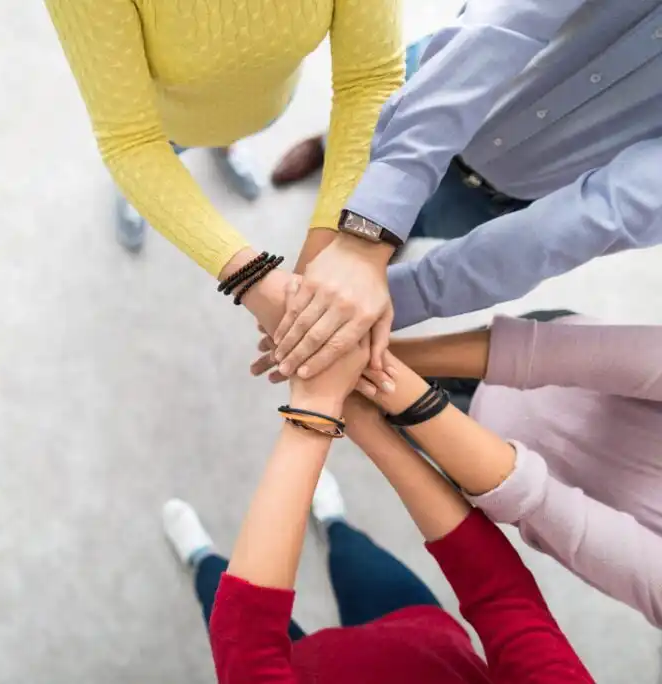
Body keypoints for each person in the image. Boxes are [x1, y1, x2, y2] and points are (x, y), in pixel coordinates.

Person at [268, 1, 662, 382]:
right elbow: (505, 22)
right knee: (358, 133)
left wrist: (401, 291)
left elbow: (608, 212)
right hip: (435, 86)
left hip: (506, 191)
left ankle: (395, 238)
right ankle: (324, 147)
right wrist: (372, 229)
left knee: (425, 222)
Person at [162, 340, 593, 683]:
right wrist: (366, 423)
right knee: (350, 550)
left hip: (303, 665)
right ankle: (333, 524)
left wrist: (315, 409)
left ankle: (200, 556)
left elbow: (244, 641)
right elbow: (504, 597)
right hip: (416, 632)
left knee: (217, 591)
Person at [44, 0, 404, 351]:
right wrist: (250, 278)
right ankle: (135, 192)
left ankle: (227, 145)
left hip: (263, 105)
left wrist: (319, 260)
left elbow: (369, 81)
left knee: (232, 128)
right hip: (167, 126)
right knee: (158, 158)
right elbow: (131, 139)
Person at [366, 312, 662, 627]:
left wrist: (371, 370)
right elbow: (605, 356)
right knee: (385, 381)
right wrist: (378, 357)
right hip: (546, 357)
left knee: (384, 406)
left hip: (489, 454)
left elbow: (543, 504)